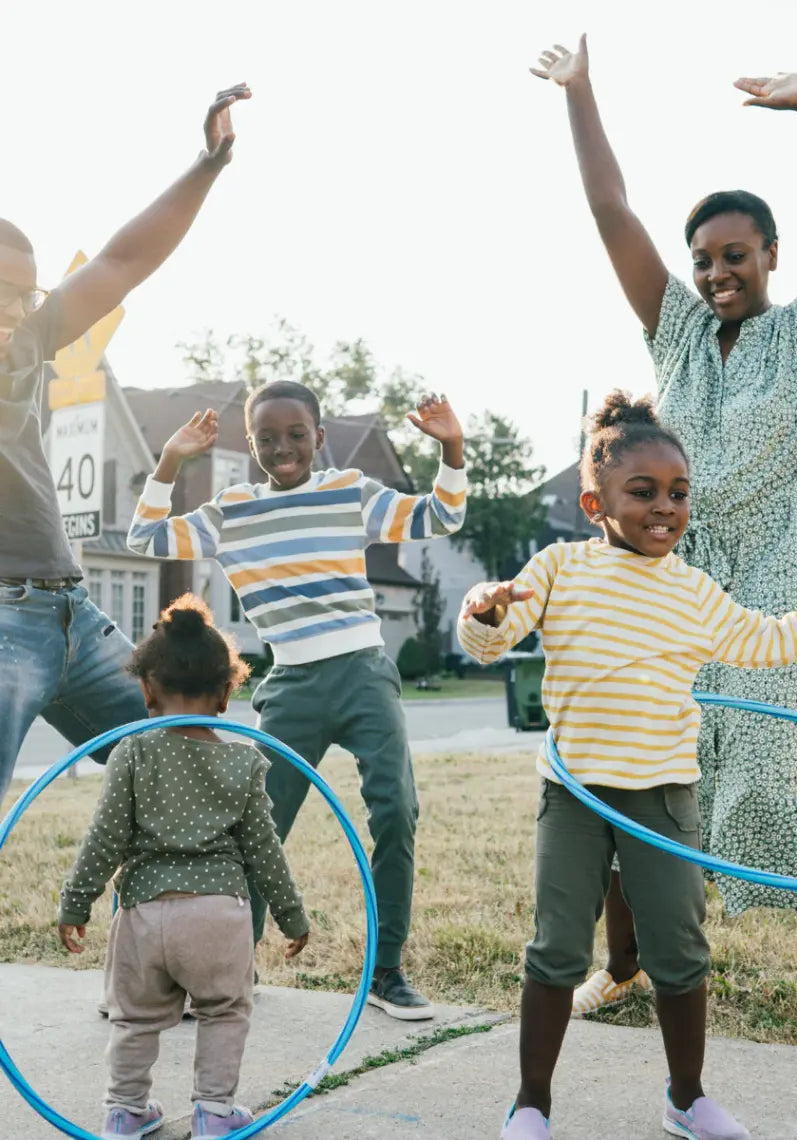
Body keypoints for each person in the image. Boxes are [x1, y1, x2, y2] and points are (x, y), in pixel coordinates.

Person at [530, 38, 797, 1062]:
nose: (717, 271)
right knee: (648, 756)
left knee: (763, 777)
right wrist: (581, 94)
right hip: (672, 571)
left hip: (781, 565)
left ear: (771, 255)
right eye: (705, 256)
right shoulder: (672, 331)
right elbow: (609, 213)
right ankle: (625, 969)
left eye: (736, 254)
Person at [458, 391, 797, 1140]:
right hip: (574, 794)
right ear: (593, 501)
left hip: (664, 796)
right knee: (556, 947)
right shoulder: (558, 569)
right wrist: (481, 611)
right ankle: (530, 1104)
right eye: (641, 492)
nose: (665, 508)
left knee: (678, 949)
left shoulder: (694, 590)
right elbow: (496, 635)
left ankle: (686, 1097)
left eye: (677, 493)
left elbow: (769, 642)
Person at [126, 380, 466, 1020]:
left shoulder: (350, 492)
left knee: (397, 811)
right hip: (290, 685)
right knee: (257, 829)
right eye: (267, 438)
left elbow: (441, 517)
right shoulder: (231, 511)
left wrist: (451, 448)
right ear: (251, 443)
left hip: (364, 673)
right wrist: (171, 460)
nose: (282, 448)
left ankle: (386, 970)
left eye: (296, 435)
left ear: (319, 437)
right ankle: (232, 968)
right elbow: (145, 539)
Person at [0, 82, 252, 806]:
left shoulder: (27, 345)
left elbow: (119, 263)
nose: (20, 310)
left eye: (28, 293)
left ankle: (193, 920)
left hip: (74, 616)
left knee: (192, 782)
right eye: (3, 291)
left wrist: (206, 166)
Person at [57, 594, 309, 1140]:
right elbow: (265, 850)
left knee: (135, 1018)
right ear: (226, 692)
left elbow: (105, 839)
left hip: (145, 914)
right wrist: (292, 916)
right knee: (223, 1011)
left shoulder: (132, 751)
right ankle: (215, 1112)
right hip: (220, 915)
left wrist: (76, 903)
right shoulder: (244, 759)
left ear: (145, 688)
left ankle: (125, 1111)